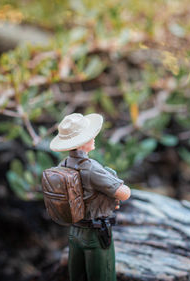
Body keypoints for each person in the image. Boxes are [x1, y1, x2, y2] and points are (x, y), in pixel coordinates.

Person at [49, 113, 131, 281]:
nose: (93, 138)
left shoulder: (63, 165)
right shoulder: (92, 168)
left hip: (74, 232)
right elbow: (124, 193)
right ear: (82, 142)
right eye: (90, 135)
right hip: (95, 234)